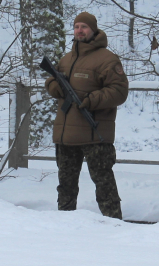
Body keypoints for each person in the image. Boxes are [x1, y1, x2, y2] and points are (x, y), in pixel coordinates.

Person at [46, 12, 130, 219]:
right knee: (65, 185)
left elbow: (119, 91)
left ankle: (114, 223)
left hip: (95, 132)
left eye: (84, 27)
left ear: (93, 30)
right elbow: (50, 80)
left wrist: (93, 100)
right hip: (66, 135)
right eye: (76, 27)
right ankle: (64, 221)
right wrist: (54, 86)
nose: (79, 31)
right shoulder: (67, 59)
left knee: (103, 182)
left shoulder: (107, 59)